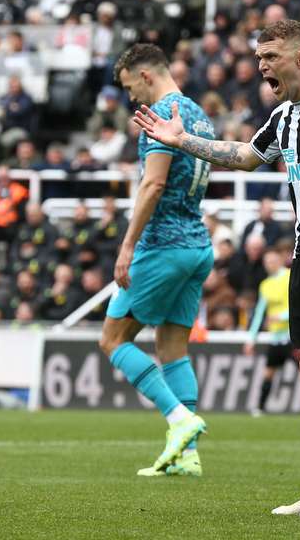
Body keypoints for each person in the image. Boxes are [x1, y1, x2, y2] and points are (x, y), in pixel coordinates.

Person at [133, 19, 300, 520]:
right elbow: (246, 156)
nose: (261, 65)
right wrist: (182, 141)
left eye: (269, 56)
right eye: (259, 55)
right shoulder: (284, 116)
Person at [98, 44, 214, 478]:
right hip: (197, 245)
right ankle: (186, 456)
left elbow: (153, 184)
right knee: (172, 349)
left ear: (145, 76)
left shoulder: (160, 115)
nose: (131, 99)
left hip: (162, 246)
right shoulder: (199, 114)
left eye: (130, 87)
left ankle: (179, 419)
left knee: (112, 340)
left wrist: (127, 246)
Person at [245, 244, 297, 416]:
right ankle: (260, 407)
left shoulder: (291, 277)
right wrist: (251, 338)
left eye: (273, 260)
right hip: (276, 337)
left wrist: (281, 317)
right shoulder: (265, 284)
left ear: (281, 260)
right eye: (267, 261)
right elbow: (259, 313)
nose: (270, 264)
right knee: (268, 373)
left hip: (294, 335)